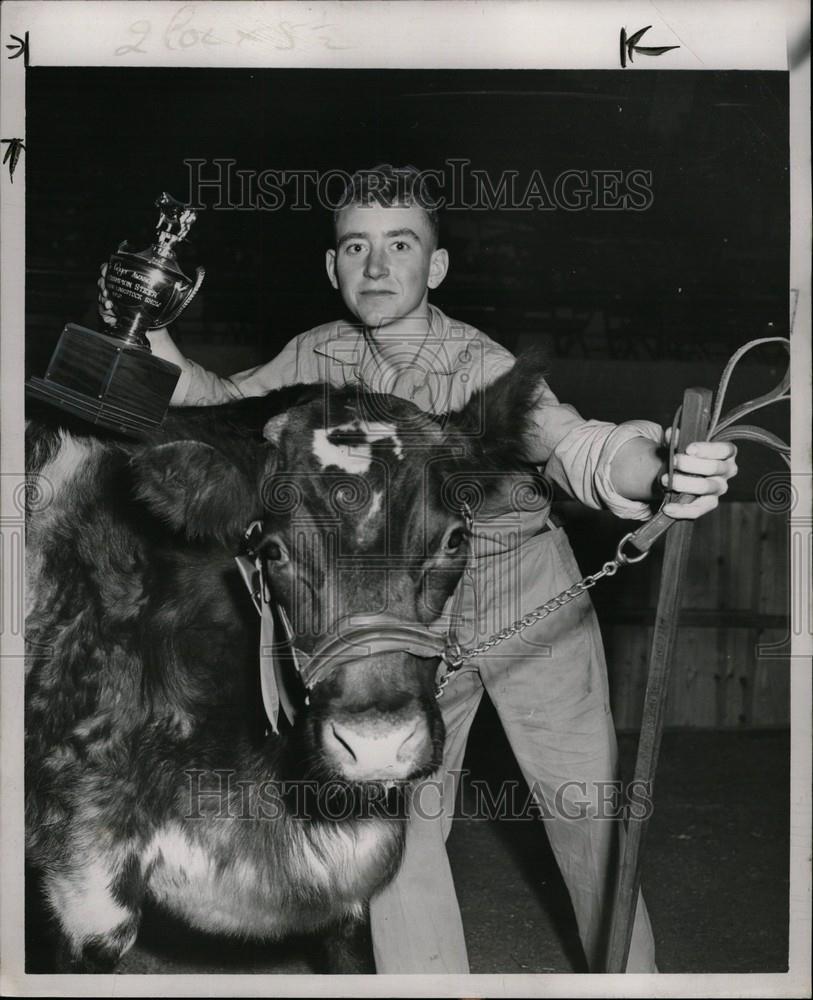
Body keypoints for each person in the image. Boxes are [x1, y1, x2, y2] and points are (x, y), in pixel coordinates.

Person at [99, 165, 737, 973]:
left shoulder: (475, 359)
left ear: (433, 267)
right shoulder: (314, 354)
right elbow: (219, 397)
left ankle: (633, 986)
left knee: (586, 812)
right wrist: (145, 327)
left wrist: (660, 470)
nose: (375, 267)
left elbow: (578, 445)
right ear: (332, 269)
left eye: (399, 245)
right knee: (394, 815)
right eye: (354, 247)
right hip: (405, 611)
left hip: (525, 595)